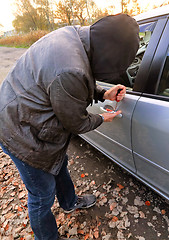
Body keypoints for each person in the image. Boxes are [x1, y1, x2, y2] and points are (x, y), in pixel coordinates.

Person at [0, 13, 139, 240]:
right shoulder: (70, 69)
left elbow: (78, 79)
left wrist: (104, 93)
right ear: (109, 55)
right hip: (19, 131)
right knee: (41, 194)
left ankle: (68, 202)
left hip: (26, 113)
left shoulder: (78, 37)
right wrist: (103, 118)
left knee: (58, 163)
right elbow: (75, 122)